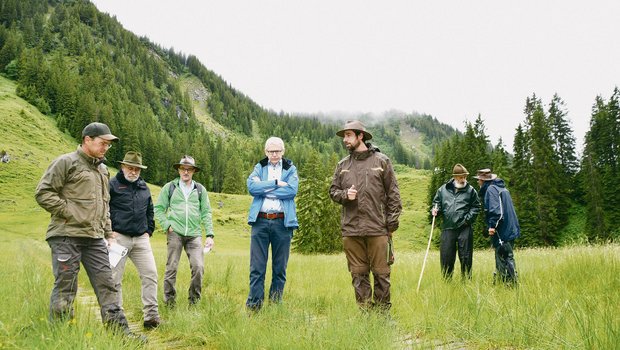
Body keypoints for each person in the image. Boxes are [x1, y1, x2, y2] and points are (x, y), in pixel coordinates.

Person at [35, 122, 140, 339]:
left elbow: (104, 203)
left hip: (94, 238)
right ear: (87, 140)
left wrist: (108, 232)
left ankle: (120, 334)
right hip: (66, 235)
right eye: (102, 143)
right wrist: (68, 211)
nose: (105, 148)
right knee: (66, 285)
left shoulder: (102, 170)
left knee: (107, 284)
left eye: (108, 145)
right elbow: (43, 192)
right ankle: (62, 335)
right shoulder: (66, 162)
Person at [329, 120, 402, 312]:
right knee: (358, 275)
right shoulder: (342, 165)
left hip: (378, 227)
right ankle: (365, 316)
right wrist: (345, 195)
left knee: (381, 274)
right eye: (344, 136)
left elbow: (393, 193)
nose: (345, 140)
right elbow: (333, 191)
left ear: (360, 136)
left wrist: (391, 224)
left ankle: (383, 315)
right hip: (351, 229)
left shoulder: (381, 161)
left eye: (348, 135)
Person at [109, 151, 161, 329]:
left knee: (150, 274)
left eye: (137, 169)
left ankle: (151, 318)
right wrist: (108, 232)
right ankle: (117, 319)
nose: (133, 172)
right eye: (130, 168)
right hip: (118, 239)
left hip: (141, 240)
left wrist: (149, 231)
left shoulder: (143, 186)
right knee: (115, 278)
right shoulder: (112, 185)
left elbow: (150, 209)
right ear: (122, 167)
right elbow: (103, 208)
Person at [245, 137, 299, 311]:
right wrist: (275, 183)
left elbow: (291, 191)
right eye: (270, 151)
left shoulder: (290, 168)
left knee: (279, 268)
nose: (274, 154)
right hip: (260, 221)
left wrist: (265, 189)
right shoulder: (259, 167)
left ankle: (275, 307)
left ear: (283, 151)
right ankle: (254, 307)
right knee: (257, 268)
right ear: (265, 152)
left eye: (277, 151)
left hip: (282, 223)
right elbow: (252, 188)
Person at [154, 155, 214, 307]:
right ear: (179, 170)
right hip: (175, 233)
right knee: (171, 268)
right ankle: (169, 303)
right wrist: (167, 225)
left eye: (189, 169)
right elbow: (159, 209)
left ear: (194, 171)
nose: (186, 172)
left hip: (194, 235)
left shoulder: (200, 190)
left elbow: (206, 212)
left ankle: (194, 303)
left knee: (198, 267)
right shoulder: (170, 187)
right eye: (183, 169)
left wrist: (209, 235)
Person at [431, 164, 481, 280]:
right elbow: (436, 203)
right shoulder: (443, 190)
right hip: (448, 227)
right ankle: (447, 280)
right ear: (455, 177)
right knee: (446, 255)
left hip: (464, 228)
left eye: (465, 177)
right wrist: (435, 210)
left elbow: (476, 207)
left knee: (466, 256)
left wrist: (467, 220)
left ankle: (466, 280)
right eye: (461, 177)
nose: (463, 179)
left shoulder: (470, 190)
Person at [474, 169, 520, 286]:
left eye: (479, 179)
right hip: (510, 229)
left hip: (502, 230)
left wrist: (492, 226)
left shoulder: (491, 190)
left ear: (483, 180)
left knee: (502, 256)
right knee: (508, 256)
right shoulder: (502, 188)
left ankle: (506, 283)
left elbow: (496, 212)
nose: (478, 182)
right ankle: (510, 282)